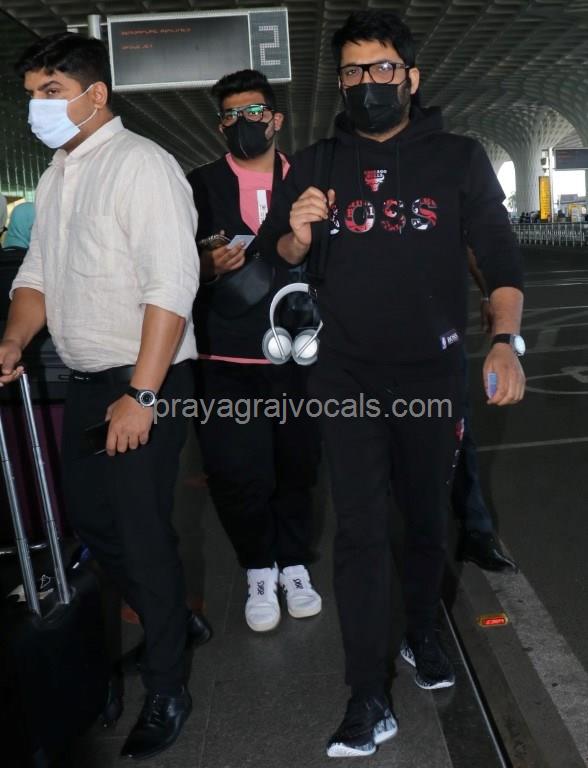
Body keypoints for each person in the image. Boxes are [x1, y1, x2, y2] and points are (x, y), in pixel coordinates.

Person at [257, 9, 525, 758]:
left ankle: (420, 630)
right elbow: (276, 254)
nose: (366, 83)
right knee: (361, 529)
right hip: (344, 373)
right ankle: (367, 694)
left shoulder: (459, 158)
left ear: (410, 77)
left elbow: (498, 255)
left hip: (432, 370)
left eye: (380, 68)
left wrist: (505, 342)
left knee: (426, 519)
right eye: (352, 71)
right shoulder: (315, 163)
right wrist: (297, 234)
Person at [1, 32, 205, 761]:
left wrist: (142, 395)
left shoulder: (142, 166)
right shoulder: (59, 174)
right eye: (32, 94)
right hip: (90, 385)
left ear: (95, 95)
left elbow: (171, 285)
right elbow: (37, 275)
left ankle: (168, 686)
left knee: (141, 531)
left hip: (144, 381)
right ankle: (170, 615)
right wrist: (13, 340)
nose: (38, 107)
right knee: (94, 522)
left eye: (51, 92)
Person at [186, 69, 321, 633]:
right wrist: (204, 265)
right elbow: (168, 263)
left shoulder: (310, 181)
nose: (244, 122)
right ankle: (258, 569)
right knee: (238, 473)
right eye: (232, 115)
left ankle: (294, 563)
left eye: (255, 112)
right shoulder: (197, 186)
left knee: (297, 469)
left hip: (300, 359)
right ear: (221, 125)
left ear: (276, 119)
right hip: (226, 362)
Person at [453, 248, 518, 572]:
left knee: (457, 433)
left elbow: (471, 243)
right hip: (363, 345)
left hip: (438, 339)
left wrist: (488, 294)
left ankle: (476, 531)